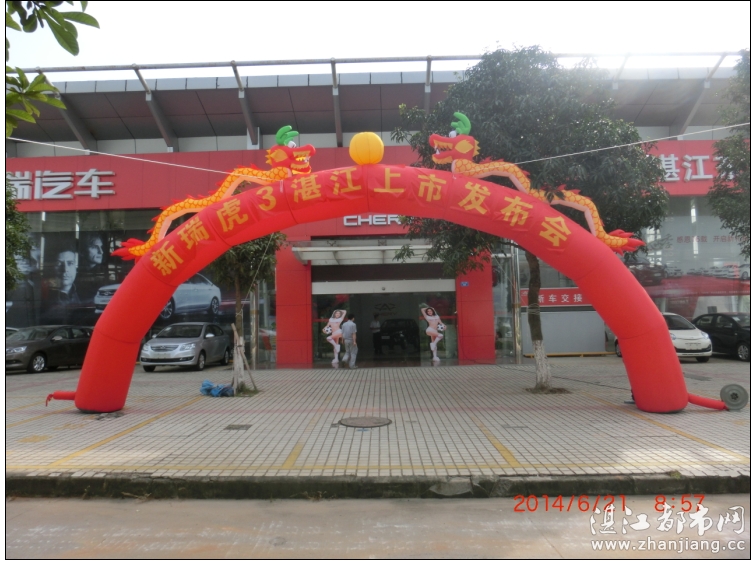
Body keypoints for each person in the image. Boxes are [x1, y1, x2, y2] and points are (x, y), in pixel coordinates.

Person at [41, 247, 80, 323]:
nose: (65, 269)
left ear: (76, 268)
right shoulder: (43, 296)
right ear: (52, 268)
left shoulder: (85, 295)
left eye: (70, 263)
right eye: (59, 264)